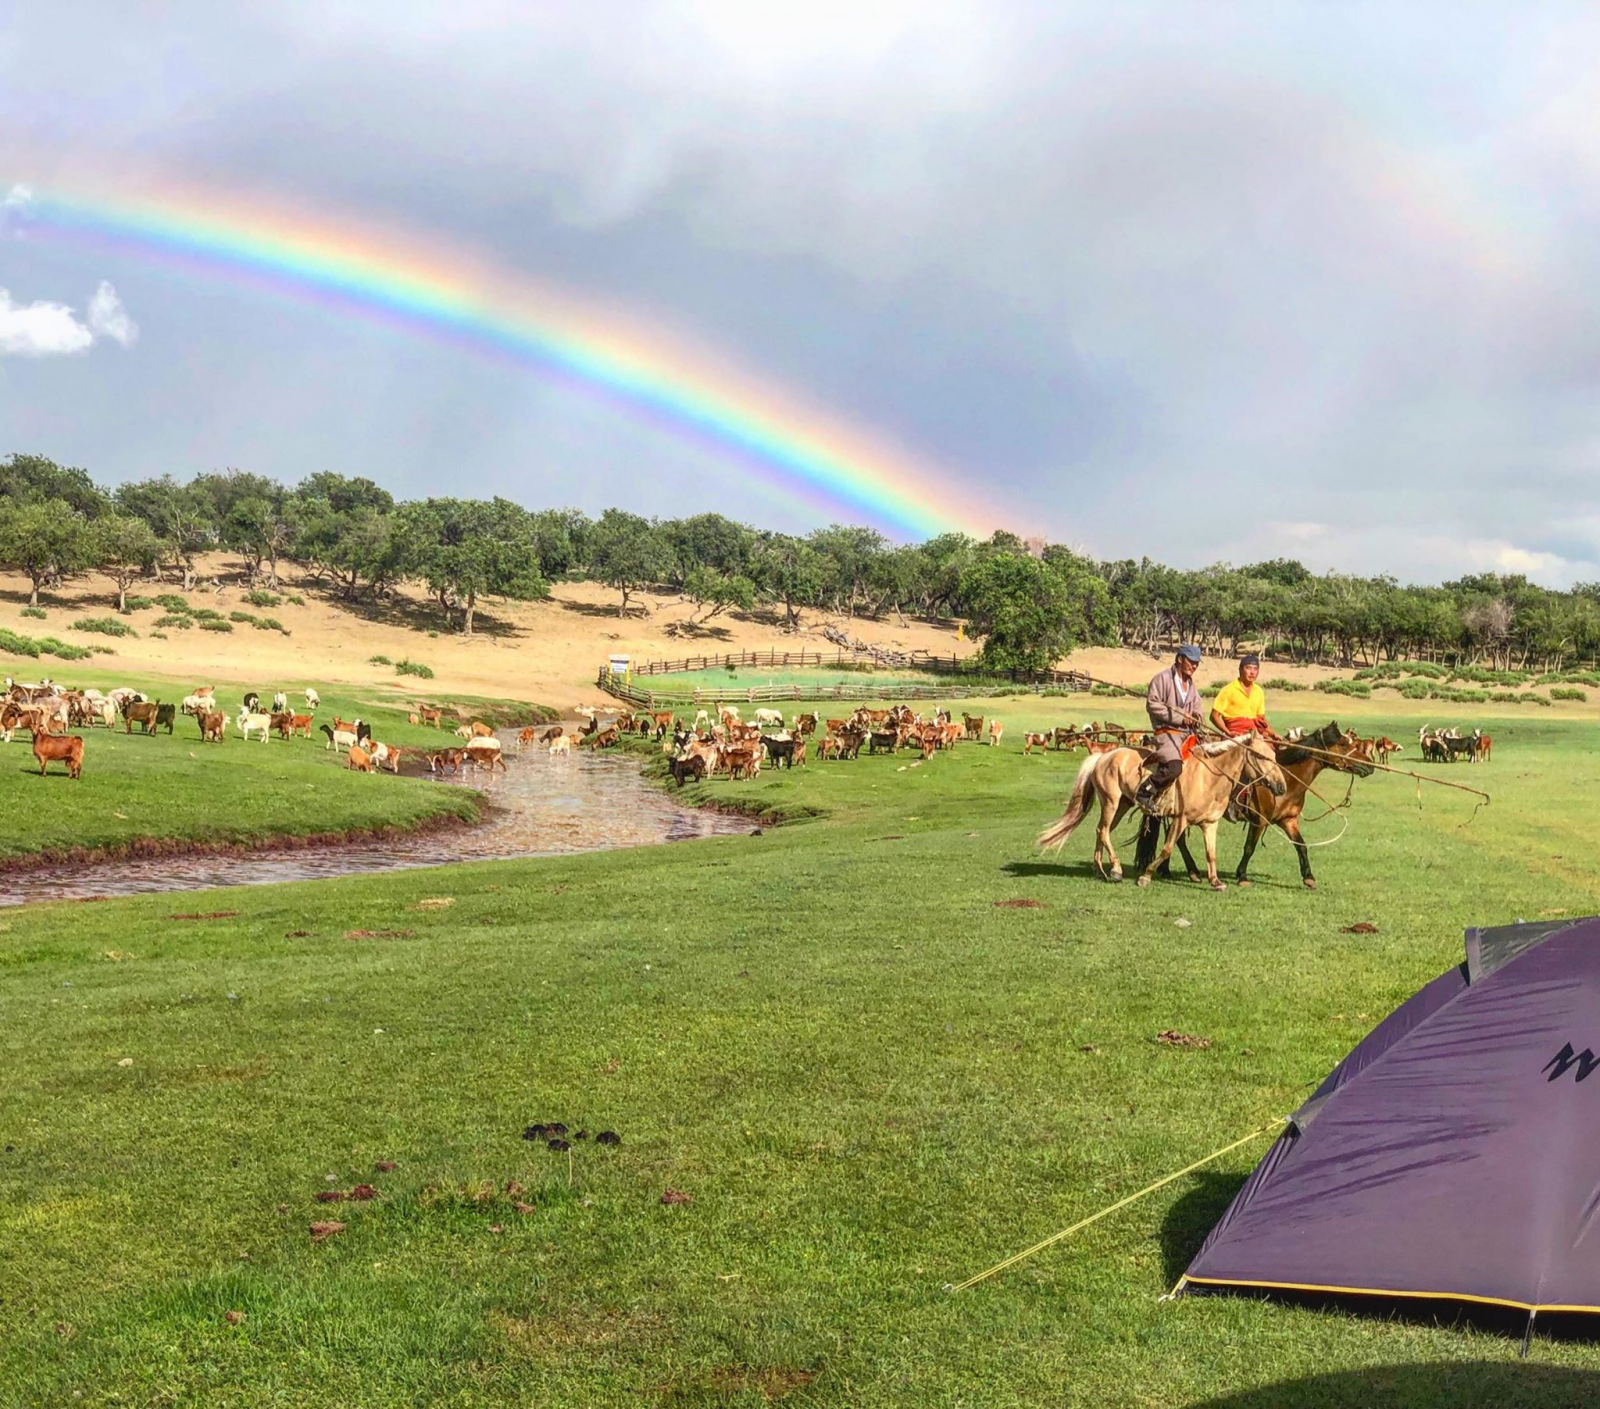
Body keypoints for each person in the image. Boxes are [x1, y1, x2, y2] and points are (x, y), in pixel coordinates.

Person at [1135, 643, 1204, 815]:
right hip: (1166, 733)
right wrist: (1181, 716)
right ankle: (1146, 790)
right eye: (1191, 662)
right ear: (1180, 659)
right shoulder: (1162, 679)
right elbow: (1152, 705)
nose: (1194, 666)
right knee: (1174, 768)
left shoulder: (1192, 686)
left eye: (1196, 663)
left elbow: (1198, 707)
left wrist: (1196, 717)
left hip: (1187, 735)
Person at [1210, 653, 1272, 737]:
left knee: (1272, 748)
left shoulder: (1259, 691)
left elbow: (1261, 720)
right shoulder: (1228, 690)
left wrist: (1274, 734)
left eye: (1255, 669)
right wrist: (1228, 732)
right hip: (1236, 735)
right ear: (1240, 670)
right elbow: (1214, 716)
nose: (1252, 672)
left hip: (1255, 734)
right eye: (1248, 668)